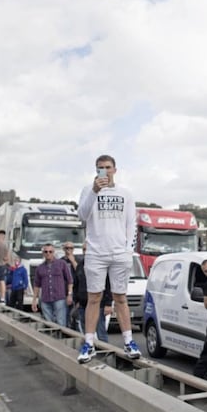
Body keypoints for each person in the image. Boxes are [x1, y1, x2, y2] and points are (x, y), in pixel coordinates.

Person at [76, 154, 141, 363]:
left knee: (120, 297)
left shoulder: (125, 193)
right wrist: (95, 191)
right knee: (93, 298)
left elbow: (132, 223)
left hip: (119, 253)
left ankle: (129, 341)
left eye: (107, 167)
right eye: (100, 168)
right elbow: (82, 215)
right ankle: (89, 343)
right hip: (96, 252)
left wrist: (128, 250)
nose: (104, 171)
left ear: (115, 169)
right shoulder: (88, 190)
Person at [72, 241, 111, 342]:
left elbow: (108, 285)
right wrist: (76, 301)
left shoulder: (100, 266)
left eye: (88, 249)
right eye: (84, 250)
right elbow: (76, 285)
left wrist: (108, 304)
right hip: (83, 305)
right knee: (86, 333)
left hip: (99, 305)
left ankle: (105, 354)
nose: (86, 252)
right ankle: (89, 351)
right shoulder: (80, 266)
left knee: (101, 333)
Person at [32, 243, 73, 325]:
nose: (48, 253)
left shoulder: (62, 264)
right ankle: (50, 338)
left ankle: (60, 338)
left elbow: (70, 280)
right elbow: (37, 285)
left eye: (50, 251)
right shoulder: (39, 268)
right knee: (48, 324)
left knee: (61, 323)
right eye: (46, 252)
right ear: (43, 253)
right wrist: (34, 300)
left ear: (54, 252)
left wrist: (69, 295)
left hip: (59, 299)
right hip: (45, 300)